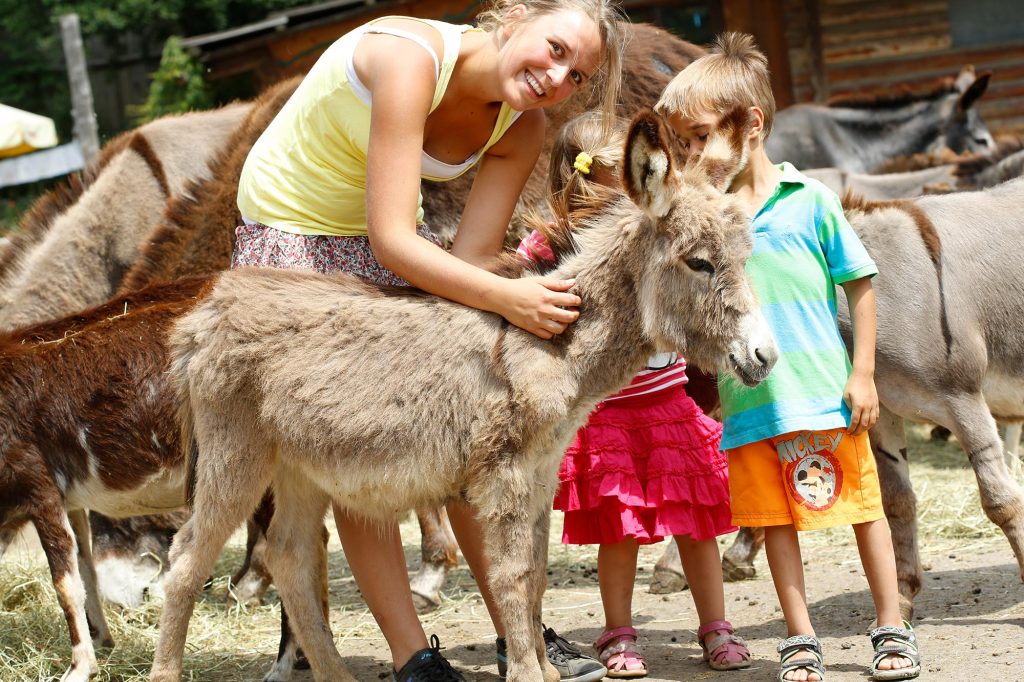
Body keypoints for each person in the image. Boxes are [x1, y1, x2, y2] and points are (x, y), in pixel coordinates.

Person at [233, 2, 626, 681]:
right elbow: (393, 240)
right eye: (555, 48)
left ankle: (519, 635)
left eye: (577, 75)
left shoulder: (522, 127)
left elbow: (472, 260)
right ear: (515, 20)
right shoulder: (408, 61)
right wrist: (512, 299)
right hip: (293, 234)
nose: (557, 76)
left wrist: (513, 319)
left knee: (471, 423)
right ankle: (413, 657)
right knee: (370, 434)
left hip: (387, 243)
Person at [655, 33, 922, 682]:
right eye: (682, 143)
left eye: (697, 137)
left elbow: (859, 285)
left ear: (750, 124)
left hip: (827, 393)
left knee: (864, 509)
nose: (690, 154)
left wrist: (862, 375)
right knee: (774, 523)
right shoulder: (707, 218)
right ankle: (800, 639)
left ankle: (892, 626)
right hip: (750, 405)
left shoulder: (811, 203)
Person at [517, 112, 752, 678]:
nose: (624, 192)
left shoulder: (665, 229)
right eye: (608, 178)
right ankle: (618, 632)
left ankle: (716, 626)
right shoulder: (553, 244)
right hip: (607, 413)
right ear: (577, 180)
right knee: (620, 531)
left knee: (696, 525)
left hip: (667, 405)